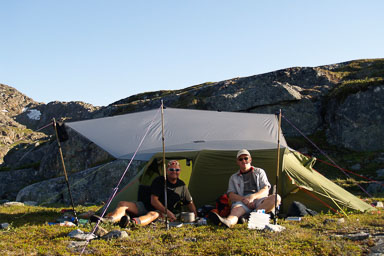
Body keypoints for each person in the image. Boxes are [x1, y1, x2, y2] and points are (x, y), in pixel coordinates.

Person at [91, 160, 197, 228]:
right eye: (171, 169)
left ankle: (132, 223)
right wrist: (168, 212)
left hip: (160, 212)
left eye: (177, 169)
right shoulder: (159, 180)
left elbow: (190, 203)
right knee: (123, 203)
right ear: (167, 170)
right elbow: (154, 201)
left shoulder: (182, 186)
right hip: (146, 205)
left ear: (180, 171)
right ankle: (109, 220)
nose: (174, 171)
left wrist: (196, 217)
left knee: (153, 214)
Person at [211, 149, 281, 228]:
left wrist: (252, 197)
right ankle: (228, 222)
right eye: (240, 159)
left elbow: (265, 189)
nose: (244, 161)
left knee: (276, 198)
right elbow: (231, 195)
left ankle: (250, 216)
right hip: (242, 202)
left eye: (246, 158)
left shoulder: (259, 172)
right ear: (237, 162)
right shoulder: (233, 177)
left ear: (250, 159)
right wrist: (244, 199)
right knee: (235, 210)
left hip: (259, 200)